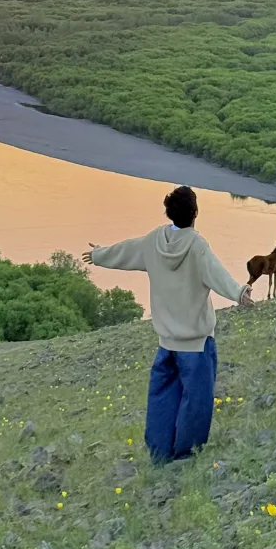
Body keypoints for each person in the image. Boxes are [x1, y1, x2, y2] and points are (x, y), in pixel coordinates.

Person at [83, 185, 253, 462]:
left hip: (166, 343)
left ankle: (160, 454)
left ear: (169, 213)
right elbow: (216, 273)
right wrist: (238, 292)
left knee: (162, 398)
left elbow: (125, 250)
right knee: (195, 403)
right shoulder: (197, 246)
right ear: (195, 213)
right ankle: (184, 455)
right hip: (196, 345)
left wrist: (99, 254)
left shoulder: (154, 241)